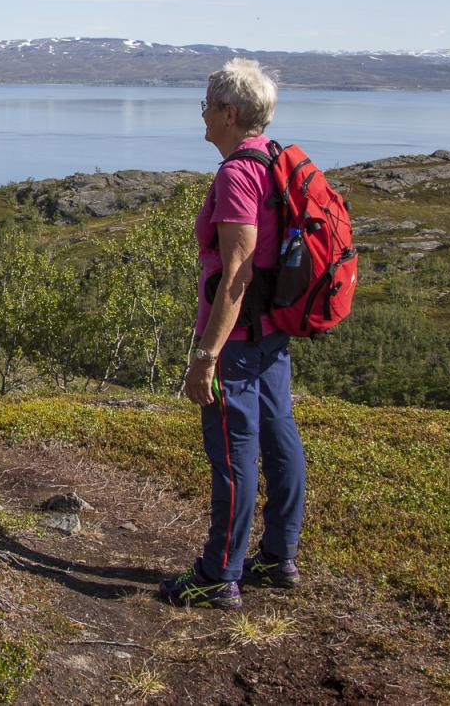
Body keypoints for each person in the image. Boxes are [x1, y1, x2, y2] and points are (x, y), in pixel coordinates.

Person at [159, 58, 306, 610]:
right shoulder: (274, 160)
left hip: (237, 341)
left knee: (233, 452)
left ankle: (220, 574)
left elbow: (237, 274)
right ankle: (278, 555)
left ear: (228, 112)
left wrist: (206, 355)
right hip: (270, 334)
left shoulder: (238, 174)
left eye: (206, 105)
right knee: (279, 435)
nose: (202, 114)